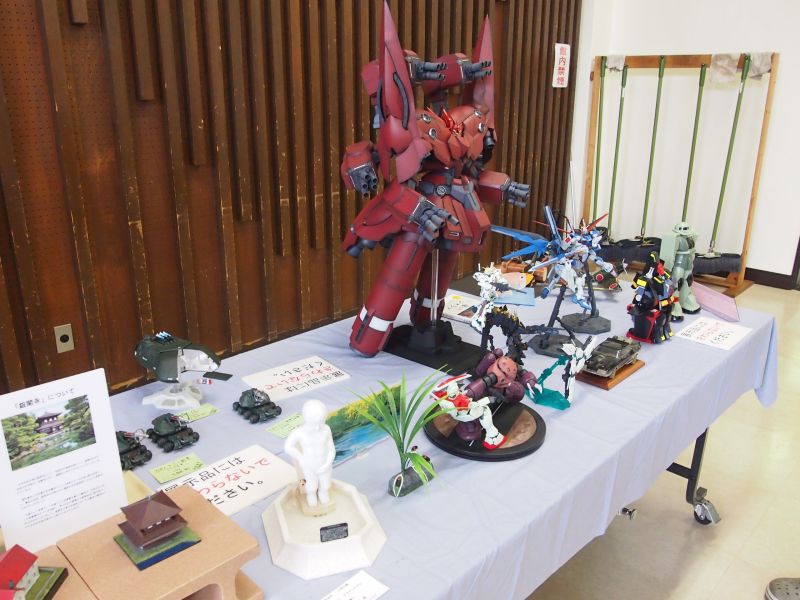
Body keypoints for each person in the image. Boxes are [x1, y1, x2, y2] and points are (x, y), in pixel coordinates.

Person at [284, 400, 335, 507]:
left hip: (324, 464)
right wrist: (301, 458)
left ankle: (322, 493)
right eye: (315, 423)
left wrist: (327, 464)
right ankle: (311, 495)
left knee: (325, 485)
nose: (318, 427)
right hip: (309, 465)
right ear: (307, 418)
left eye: (321, 422)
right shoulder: (299, 432)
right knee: (311, 486)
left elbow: (331, 449)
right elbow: (288, 447)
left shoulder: (326, 429)